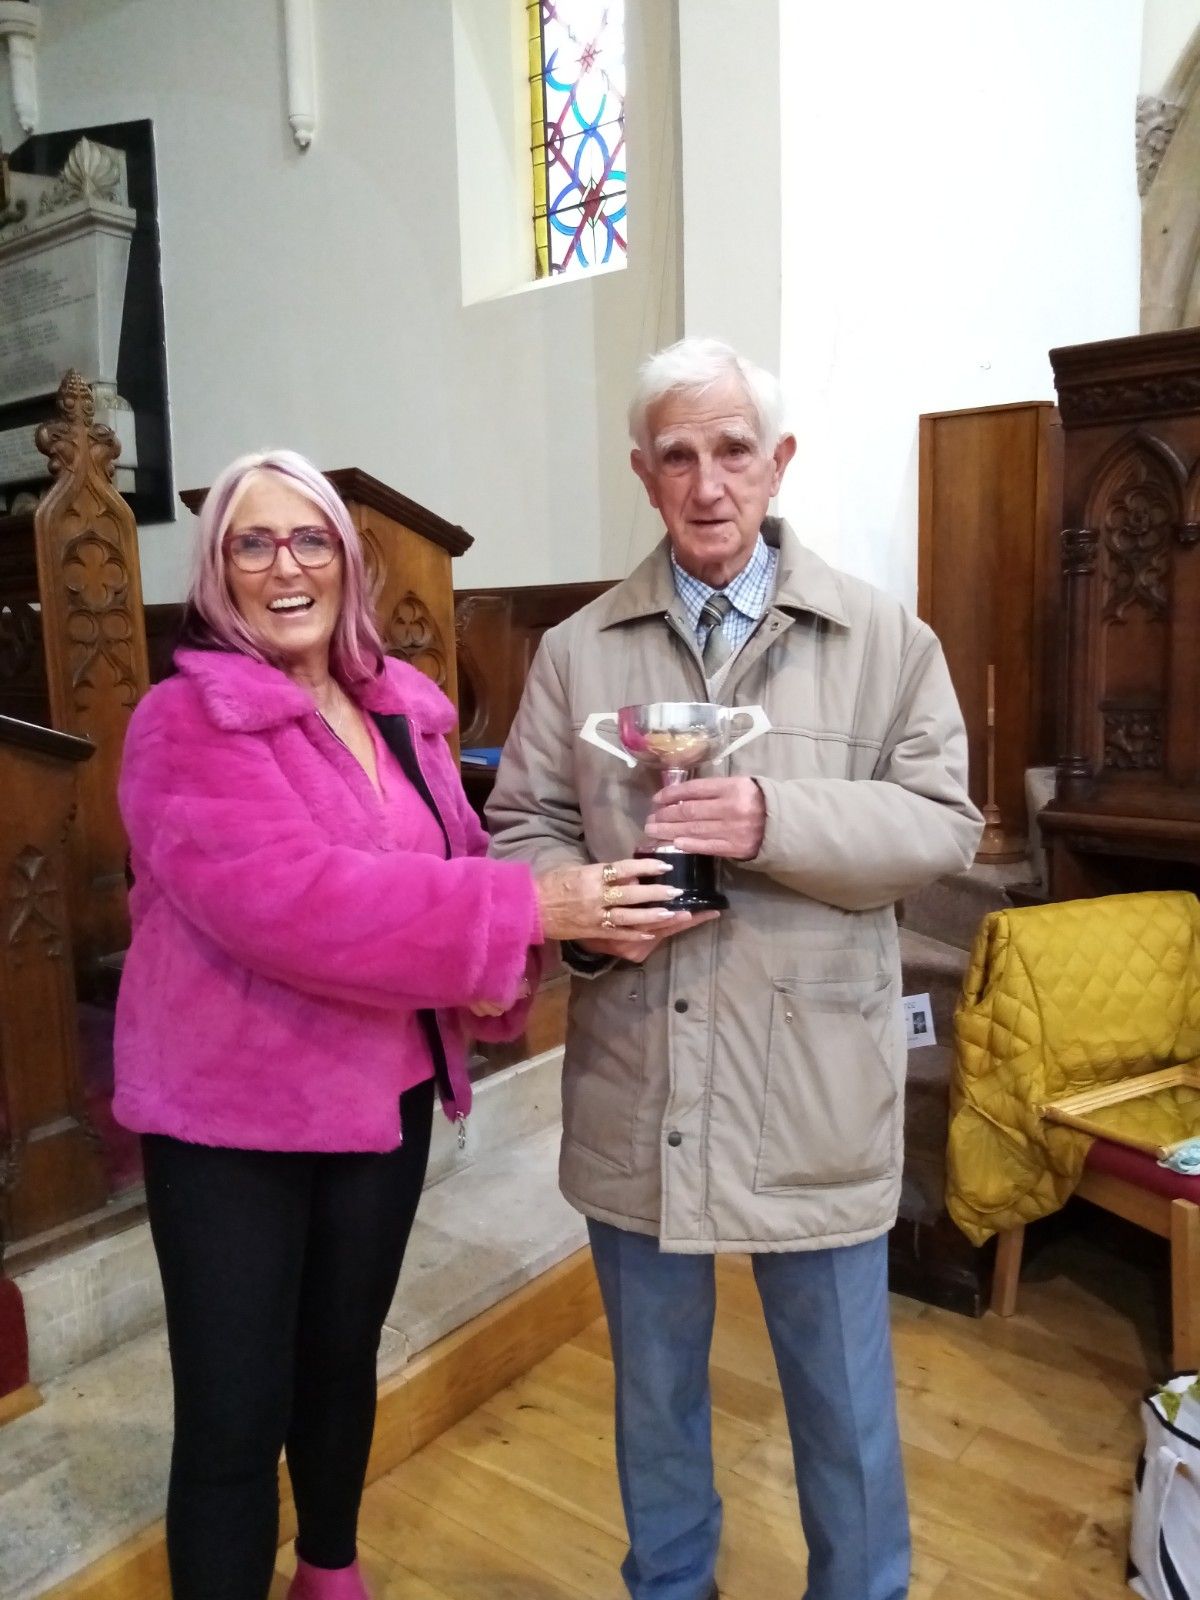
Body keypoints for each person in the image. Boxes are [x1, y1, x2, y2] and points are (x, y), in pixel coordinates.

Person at [114, 449, 681, 1600]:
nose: (287, 566)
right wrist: (528, 905)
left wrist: (531, 945)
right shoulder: (185, 723)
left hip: (382, 1095)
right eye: (253, 542)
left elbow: (461, 860)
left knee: (337, 1366)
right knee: (233, 1412)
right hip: (231, 1121)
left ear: (347, 561)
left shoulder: (404, 708)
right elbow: (298, 905)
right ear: (216, 572)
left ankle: (330, 1571)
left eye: (310, 539)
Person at [487, 338, 983, 1600]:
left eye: (733, 451)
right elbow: (524, 829)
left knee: (845, 1414)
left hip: (810, 1082)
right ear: (645, 474)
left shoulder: (883, 638)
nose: (709, 484)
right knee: (653, 1403)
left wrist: (773, 818)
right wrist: (591, 916)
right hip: (641, 1080)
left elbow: (940, 826)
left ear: (778, 463)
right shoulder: (578, 649)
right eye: (679, 456)